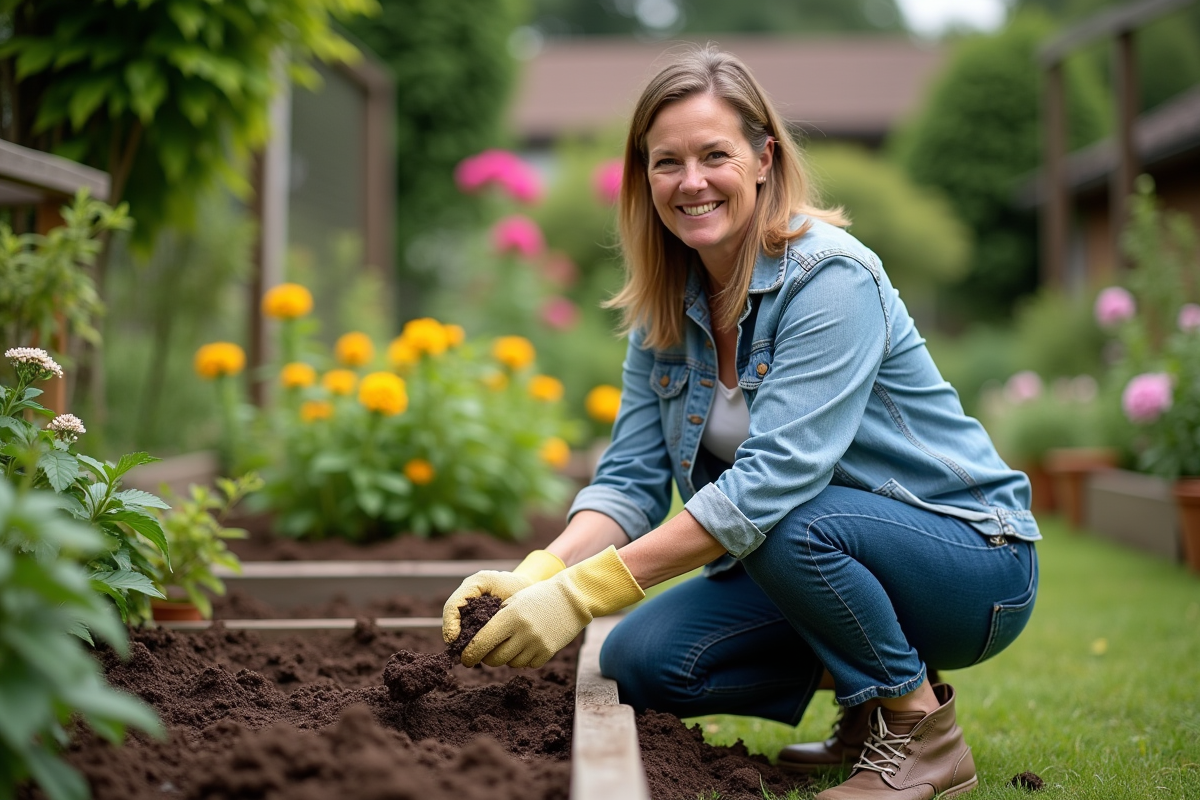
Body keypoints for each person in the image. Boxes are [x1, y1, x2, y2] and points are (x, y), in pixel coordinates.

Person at [442, 45, 1039, 800]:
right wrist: (541, 573)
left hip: (971, 563)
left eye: (713, 155)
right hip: (824, 546)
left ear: (764, 158)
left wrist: (582, 598)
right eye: (667, 163)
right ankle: (868, 701)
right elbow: (628, 479)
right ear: (643, 176)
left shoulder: (829, 279)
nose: (691, 182)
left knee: (778, 514)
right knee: (641, 662)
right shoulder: (665, 311)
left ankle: (919, 728)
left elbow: (770, 484)